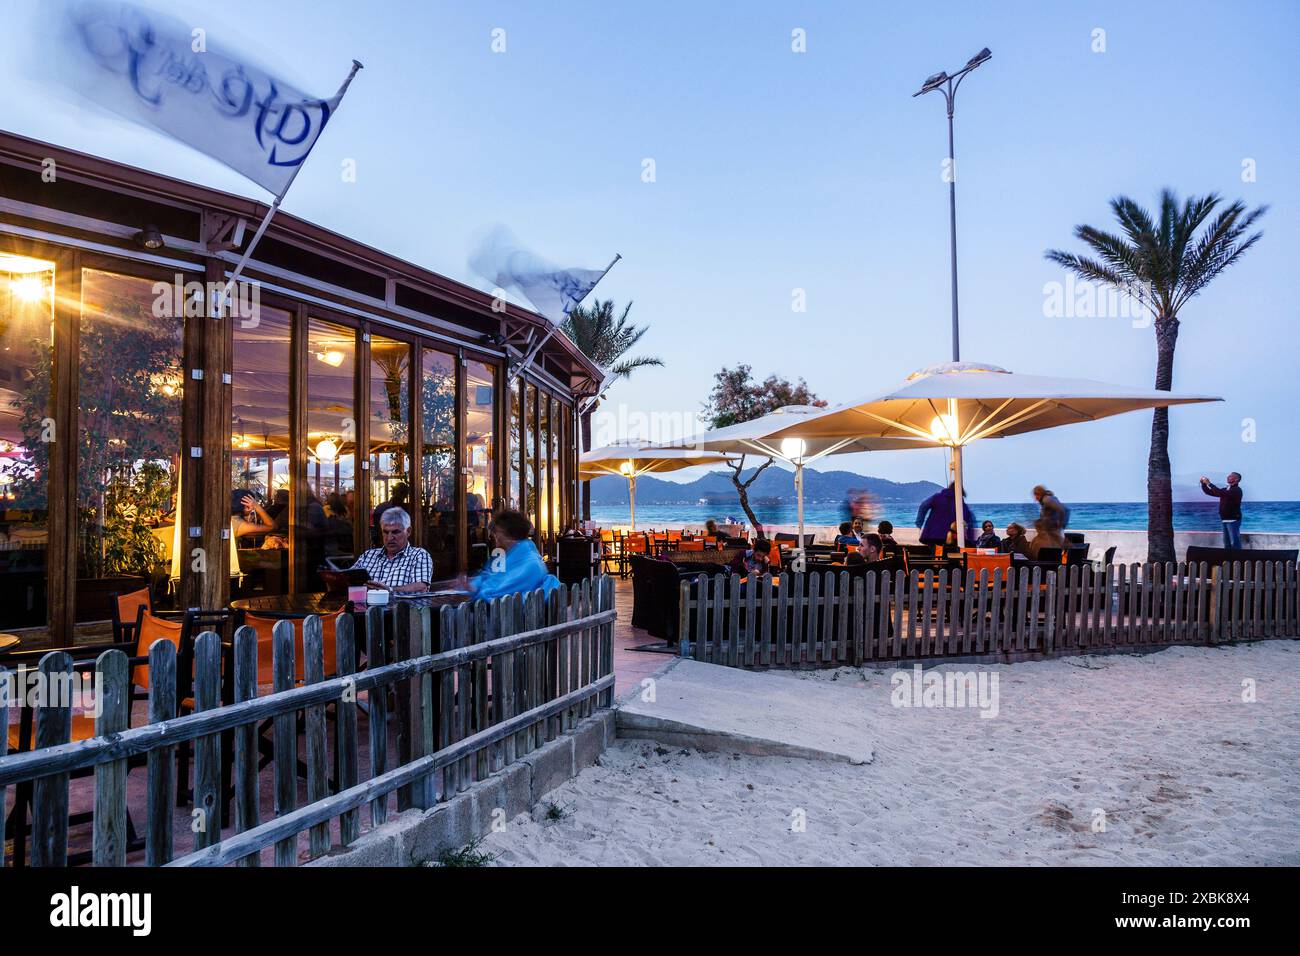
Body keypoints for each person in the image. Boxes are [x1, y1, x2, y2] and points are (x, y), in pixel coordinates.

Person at [456, 509, 560, 600]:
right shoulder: (507, 556)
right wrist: (471, 585)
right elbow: (489, 577)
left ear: (510, 535)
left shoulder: (531, 565)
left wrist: (474, 590)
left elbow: (496, 593)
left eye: (497, 535)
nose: (496, 541)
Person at [350, 507, 433, 592]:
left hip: (399, 604)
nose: (389, 538)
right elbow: (347, 579)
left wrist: (390, 590)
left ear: (408, 531)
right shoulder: (368, 555)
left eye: (395, 532)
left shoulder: (419, 555)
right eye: (385, 532)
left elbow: (421, 587)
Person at [916, 482, 975, 547]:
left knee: (936, 554)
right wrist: (970, 539)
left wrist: (919, 523)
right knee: (948, 555)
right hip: (950, 536)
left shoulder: (937, 497)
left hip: (932, 534)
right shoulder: (960, 503)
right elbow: (968, 520)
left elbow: (923, 506)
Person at [1200, 472, 1244, 548]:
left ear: (1236, 479)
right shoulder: (1226, 489)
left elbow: (1219, 492)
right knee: (1226, 543)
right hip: (1224, 519)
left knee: (1234, 543)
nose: (1228, 477)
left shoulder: (1236, 490)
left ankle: (1237, 558)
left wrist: (1209, 483)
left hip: (1233, 520)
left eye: (1230, 476)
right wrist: (1203, 484)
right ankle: (1228, 559)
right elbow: (1209, 492)